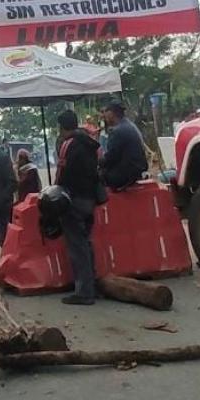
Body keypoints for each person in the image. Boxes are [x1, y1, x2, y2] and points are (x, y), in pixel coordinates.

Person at [55, 110, 102, 305]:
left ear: (62, 127)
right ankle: (92, 285)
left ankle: (84, 292)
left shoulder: (69, 144)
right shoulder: (90, 143)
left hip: (74, 199)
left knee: (77, 246)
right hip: (90, 199)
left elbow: (61, 174)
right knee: (86, 243)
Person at [100, 101, 148, 190]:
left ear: (111, 113)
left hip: (126, 174)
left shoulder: (118, 131)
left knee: (96, 178)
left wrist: (98, 162)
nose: (104, 116)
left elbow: (111, 157)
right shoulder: (130, 125)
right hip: (136, 169)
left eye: (105, 112)